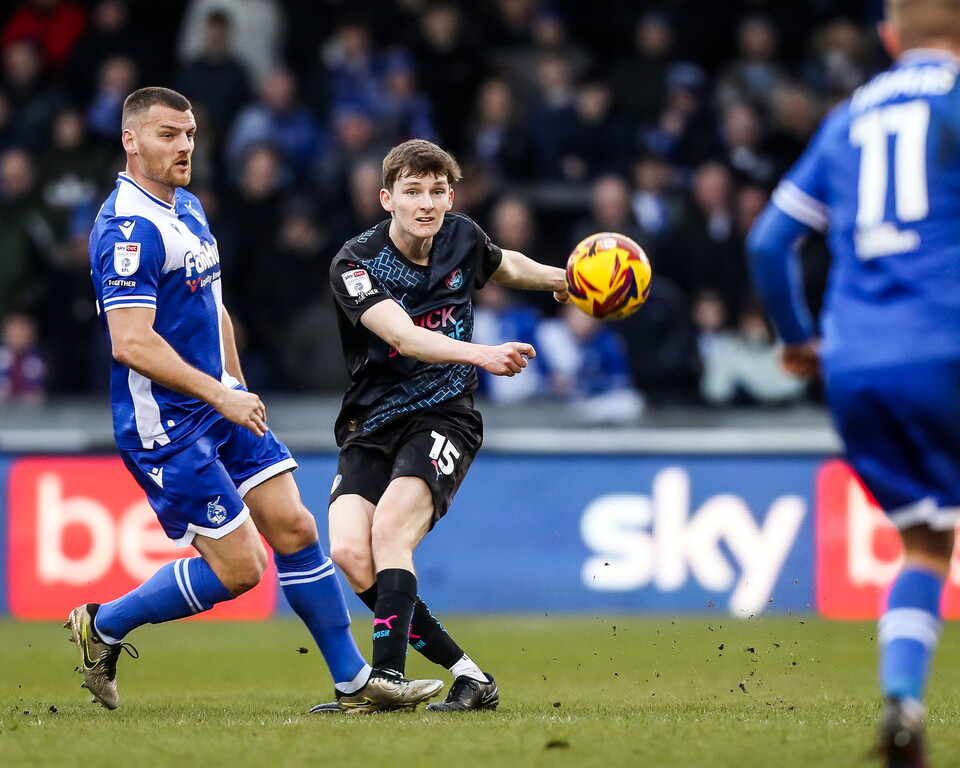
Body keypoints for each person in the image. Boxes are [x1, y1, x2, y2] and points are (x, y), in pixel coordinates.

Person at [67, 86, 443, 714]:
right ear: (130, 140)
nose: (185, 146)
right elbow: (131, 342)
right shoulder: (127, 231)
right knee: (242, 570)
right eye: (168, 135)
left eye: (189, 134)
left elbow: (211, 303)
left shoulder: (186, 207)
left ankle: (355, 682)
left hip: (221, 402)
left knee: (296, 527)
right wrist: (218, 393)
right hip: (168, 423)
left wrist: (235, 382)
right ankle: (102, 624)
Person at [746, 2, 960, 764]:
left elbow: (770, 244)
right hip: (948, 342)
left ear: (890, 36)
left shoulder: (846, 119)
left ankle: (903, 700)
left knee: (927, 543)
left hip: (858, 364)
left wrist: (799, 341)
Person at [312, 138, 567, 713]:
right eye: (412, 192)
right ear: (386, 199)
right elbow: (402, 336)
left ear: (451, 197)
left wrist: (565, 278)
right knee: (351, 553)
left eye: (437, 191)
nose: (427, 203)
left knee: (391, 533)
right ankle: (471, 676)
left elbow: (506, 265)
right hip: (370, 421)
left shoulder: (463, 237)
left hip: (444, 415)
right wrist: (484, 354)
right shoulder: (354, 265)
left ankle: (386, 679)